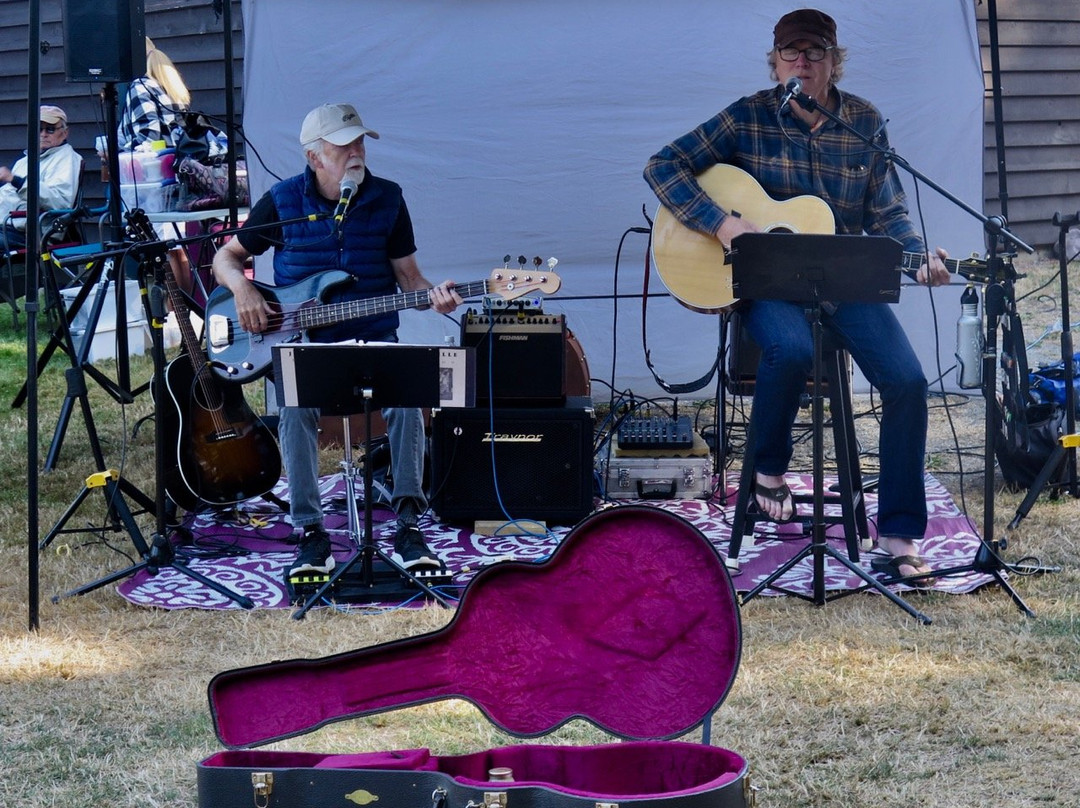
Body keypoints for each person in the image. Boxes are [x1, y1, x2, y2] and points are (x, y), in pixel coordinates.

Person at [644, 9, 950, 586]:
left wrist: (920, 258)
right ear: (776, 62)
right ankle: (768, 473)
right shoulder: (748, 116)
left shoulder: (864, 122)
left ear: (834, 62)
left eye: (814, 53)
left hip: (844, 281)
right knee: (790, 350)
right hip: (767, 283)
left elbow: (890, 213)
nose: (801, 62)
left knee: (907, 381)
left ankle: (899, 535)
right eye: (791, 54)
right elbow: (663, 166)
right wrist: (721, 223)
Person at [212, 102, 463, 576]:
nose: (356, 153)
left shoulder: (388, 198)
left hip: (373, 337)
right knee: (293, 408)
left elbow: (409, 278)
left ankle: (408, 519)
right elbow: (226, 257)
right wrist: (244, 288)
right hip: (302, 344)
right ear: (314, 157)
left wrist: (435, 297)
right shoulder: (284, 202)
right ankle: (310, 529)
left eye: (360, 142)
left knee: (410, 399)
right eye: (343, 145)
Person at [0, 105, 83, 250]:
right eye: (39, 129)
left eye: (50, 129)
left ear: (65, 133)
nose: (43, 134)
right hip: (7, 226)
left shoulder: (68, 159)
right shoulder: (24, 161)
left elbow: (60, 202)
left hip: (34, 232)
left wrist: (16, 181)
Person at [117, 37, 191, 151]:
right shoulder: (172, 87)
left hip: (155, 164)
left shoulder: (140, 86)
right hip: (180, 159)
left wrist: (116, 151)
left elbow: (149, 137)